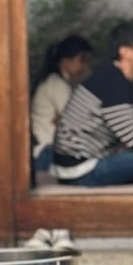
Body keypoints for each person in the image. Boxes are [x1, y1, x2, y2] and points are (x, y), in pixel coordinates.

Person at [52, 22, 133, 187]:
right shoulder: (113, 84)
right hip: (82, 171)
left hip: (81, 166)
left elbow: (129, 137)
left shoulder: (111, 77)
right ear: (125, 52)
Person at [30, 35, 93, 172]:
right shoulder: (56, 84)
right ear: (65, 61)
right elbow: (74, 122)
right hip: (47, 151)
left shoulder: (54, 83)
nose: (85, 66)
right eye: (82, 60)